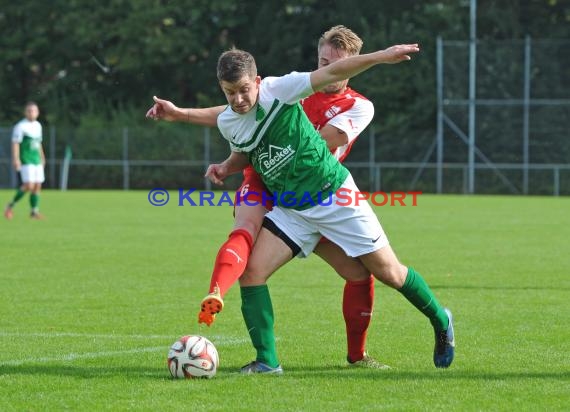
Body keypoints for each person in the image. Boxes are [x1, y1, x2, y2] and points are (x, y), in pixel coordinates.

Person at [202, 41, 455, 374]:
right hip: (293, 207)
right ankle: (268, 361)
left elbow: (322, 129)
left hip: (335, 198)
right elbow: (237, 124)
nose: (237, 98)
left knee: (389, 273)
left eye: (332, 62)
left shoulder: (318, 96)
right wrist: (189, 124)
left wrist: (382, 57)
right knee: (252, 272)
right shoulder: (269, 98)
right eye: (322, 59)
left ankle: (441, 319)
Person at [148, 26, 386, 369]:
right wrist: (182, 114)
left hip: (316, 193)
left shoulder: (358, 106)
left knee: (361, 274)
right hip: (265, 179)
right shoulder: (297, 89)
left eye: (335, 63)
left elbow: (317, 144)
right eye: (322, 59)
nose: (327, 67)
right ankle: (247, 333)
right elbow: (235, 109)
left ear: (352, 65)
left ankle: (357, 356)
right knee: (247, 240)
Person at [4, 102, 46, 220]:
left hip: (36, 159)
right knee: (28, 185)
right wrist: (16, 159)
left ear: (37, 113)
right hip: (26, 159)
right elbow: (15, 143)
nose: (31, 113)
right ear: (25, 112)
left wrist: (42, 157)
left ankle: (34, 212)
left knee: (37, 185)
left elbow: (38, 143)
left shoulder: (38, 125)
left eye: (34, 111)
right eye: (29, 110)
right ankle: (10, 205)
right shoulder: (21, 126)